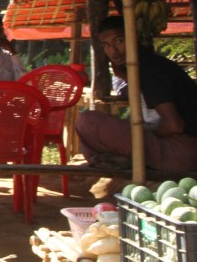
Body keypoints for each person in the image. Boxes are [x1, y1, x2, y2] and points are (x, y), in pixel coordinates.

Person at [75, 16, 197, 172]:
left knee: (87, 121)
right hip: (175, 149)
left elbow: (174, 126)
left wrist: (142, 131)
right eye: (106, 45)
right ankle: (126, 160)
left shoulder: (151, 69)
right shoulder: (144, 67)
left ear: (134, 38)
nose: (113, 51)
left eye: (119, 41)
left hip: (181, 150)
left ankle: (128, 160)